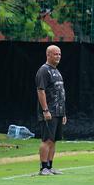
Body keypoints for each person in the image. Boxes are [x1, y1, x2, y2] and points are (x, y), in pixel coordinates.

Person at [35, 45, 67, 176]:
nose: (58, 56)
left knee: (54, 140)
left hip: (59, 111)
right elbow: (40, 91)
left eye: (59, 54)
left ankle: (50, 166)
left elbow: (61, 93)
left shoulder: (57, 71)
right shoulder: (44, 70)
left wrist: (63, 113)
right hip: (49, 112)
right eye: (55, 54)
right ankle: (43, 168)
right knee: (47, 139)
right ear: (48, 55)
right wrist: (45, 110)